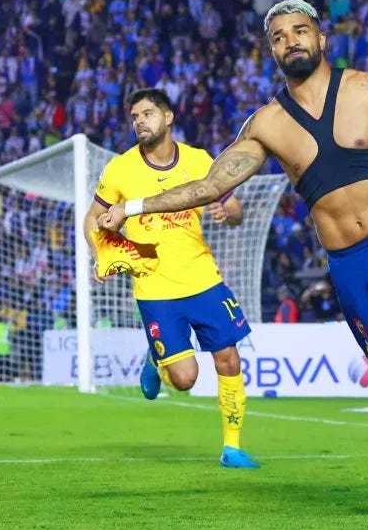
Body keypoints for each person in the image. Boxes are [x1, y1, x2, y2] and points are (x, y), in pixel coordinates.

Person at [100, 0, 368, 524]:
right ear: (272, 52)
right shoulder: (266, 124)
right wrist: (132, 206)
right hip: (349, 267)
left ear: (321, 39)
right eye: (279, 36)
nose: (291, 41)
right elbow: (209, 186)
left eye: (300, 30)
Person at [84, 88, 259, 469]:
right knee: (184, 379)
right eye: (134, 117)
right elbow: (92, 218)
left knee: (228, 359)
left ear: (168, 117)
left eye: (147, 113)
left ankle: (232, 448)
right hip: (154, 286)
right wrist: (101, 254)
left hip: (204, 278)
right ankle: (157, 358)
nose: (139, 122)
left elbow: (233, 207)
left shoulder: (199, 160)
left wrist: (228, 212)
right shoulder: (120, 169)